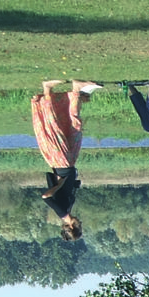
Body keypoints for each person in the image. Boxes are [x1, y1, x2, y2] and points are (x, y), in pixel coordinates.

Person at [31, 79, 98, 240]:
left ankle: (47, 89)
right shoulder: (68, 208)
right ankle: (76, 90)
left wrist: (60, 184)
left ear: (71, 226)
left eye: (79, 226)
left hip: (61, 162)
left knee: (54, 126)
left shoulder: (61, 211)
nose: (80, 223)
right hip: (69, 163)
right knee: (75, 127)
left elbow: (45, 197)